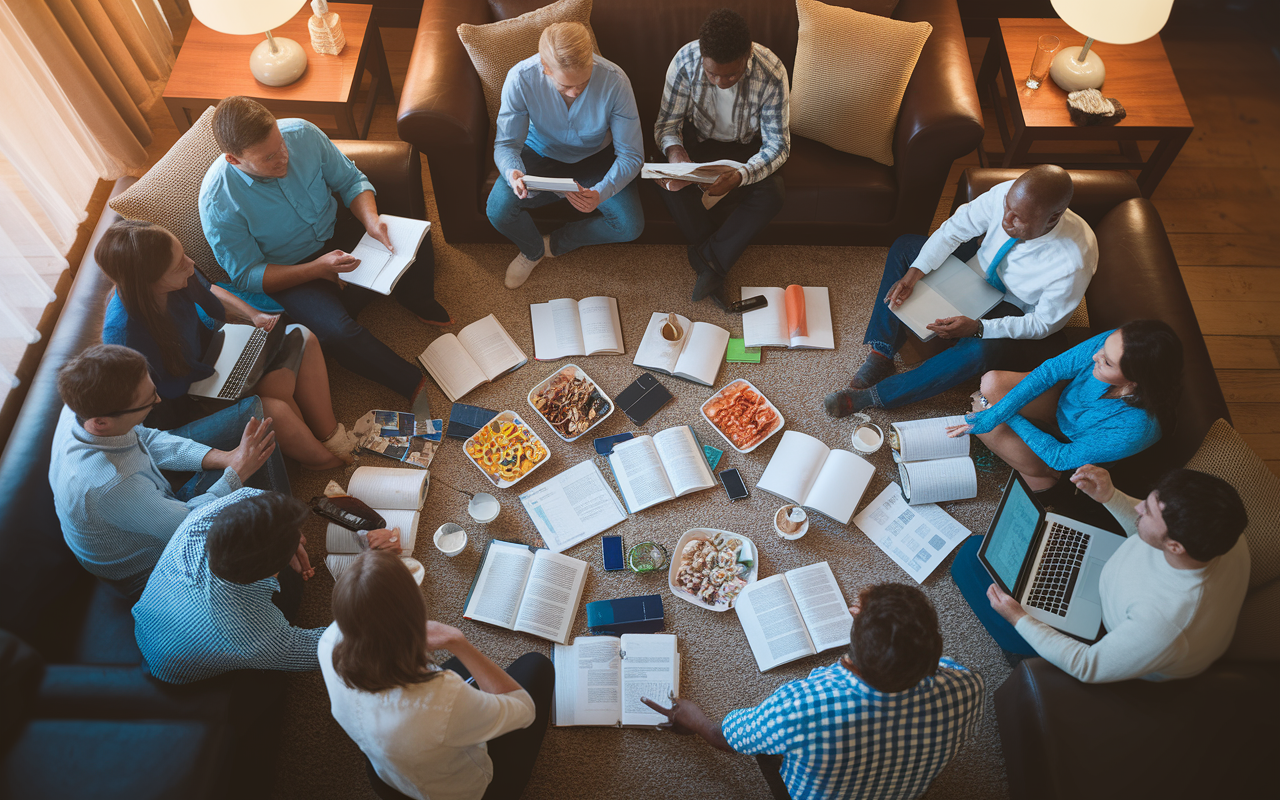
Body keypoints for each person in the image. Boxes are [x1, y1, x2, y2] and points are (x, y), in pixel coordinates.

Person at [199, 96, 444, 419]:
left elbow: (350, 181)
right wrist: (317, 270)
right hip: (291, 270)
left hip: (337, 231)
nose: (284, 157)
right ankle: (410, 381)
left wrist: (371, 221)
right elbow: (248, 275)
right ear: (234, 159)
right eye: (269, 157)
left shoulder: (302, 133)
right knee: (338, 334)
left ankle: (417, 298)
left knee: (414, 233)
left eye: (281, 144)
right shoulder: (218, 202)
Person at [643, 583, 984, 800]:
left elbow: (726, 737)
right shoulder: (969, 685)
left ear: (850, 663)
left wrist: (692, 718)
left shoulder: (802, 708)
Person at [826, 165, 1097, 417]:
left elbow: (1044, 323)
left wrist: (979, 328)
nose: (1006, 219)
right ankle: (882, 353)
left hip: (1012, 303)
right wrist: (915, 272)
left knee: (982, 352)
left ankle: (877, 396)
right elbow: (955, 229)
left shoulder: (1074, 259)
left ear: (1052, 219)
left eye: (1019, 219)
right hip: (978, 265)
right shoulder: (1009, 193)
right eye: (1007, 208)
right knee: (906, 246)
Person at [951, 464, 1250, 682]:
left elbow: (1087, 665)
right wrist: (1110, 495)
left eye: (1149, 512)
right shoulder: (1222, 532)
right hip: (1117, 577)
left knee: (971, 560)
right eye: (1149, 499)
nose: (1139, 507)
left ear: (1174, 546)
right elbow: (1146, 530)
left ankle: (1024, 653)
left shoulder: (1164, 626)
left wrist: (1020, 618)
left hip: (1108, 636)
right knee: (1026, 543)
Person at [98, 220, 357, 469]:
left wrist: (253, 315)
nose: (190, 265)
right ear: (147, 284)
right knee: (273, 408)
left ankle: (329, 435)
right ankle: (324, 462)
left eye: (184, 255)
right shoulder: (123, 336)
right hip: (182, 406)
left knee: (302, 336)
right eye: (179, 265)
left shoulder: (179, 276)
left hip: (210, 364)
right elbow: (149, 410)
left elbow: (208, 289)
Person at [50, 344, 285, 599]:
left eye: (153, 391)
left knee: (250, 425)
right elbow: (189, 523)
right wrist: (236, 472)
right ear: (101, 423)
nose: (158, 400)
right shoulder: (110, 486)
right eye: (148, 401)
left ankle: (279, 521)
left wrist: (225, 459)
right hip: (154, 564)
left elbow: (146, 438)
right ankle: (284, 534)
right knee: (247, 467)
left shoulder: (82, 407)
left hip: (154, 506)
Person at [319, 549, 553, 800]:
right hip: (464, 792)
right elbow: (523, 709)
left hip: (387, 776)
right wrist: (458, 642)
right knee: (537, 666)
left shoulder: (328, 641)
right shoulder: (442, 697)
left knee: (460, 672)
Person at [133, 489, 385, 683]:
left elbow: (248, 495)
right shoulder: (248, 633)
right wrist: (377, 571)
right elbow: (328, 646)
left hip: (151, 619)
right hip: (171, 668)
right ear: (275, 570)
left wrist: (286, 535)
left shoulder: (198, 521)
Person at [488, 22, 644, 289]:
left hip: (595, 158)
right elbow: (506, 144)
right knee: (498, 210)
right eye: (565, 86)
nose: (575, 92)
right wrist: (513, 172)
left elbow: (631, 154)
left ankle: (557, 243)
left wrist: (602, 191)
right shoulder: (521, 78)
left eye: (583, 83)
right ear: (545, 69)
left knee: (630, 226)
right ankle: (533, 250)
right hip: (539, 154)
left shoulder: (615, 80)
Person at [946, 321, 1183, 492]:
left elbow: (1060, 457)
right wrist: (998, 411)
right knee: (991, 383)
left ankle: (1046, 477)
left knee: (984, 412)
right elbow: (1051, 370)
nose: (1095, 356)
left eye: (1107, 362)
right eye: (1103, 348)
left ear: (1134, 381)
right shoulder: (1117, 343)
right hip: (1060, 404)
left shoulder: (1137, 428)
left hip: (1068, 447)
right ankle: (1028, 463)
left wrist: (1003, 414)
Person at [654, 8, 789, 306]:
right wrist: (677, 155)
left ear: (748, 55)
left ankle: (706, 259)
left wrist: (742, 175)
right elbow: (666, 126)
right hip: (698, 144)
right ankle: (715, 260)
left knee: (774, 192)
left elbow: (778, 145)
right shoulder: (685, 63)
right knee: (665, 182)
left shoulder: (772, 72)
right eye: (712, 73)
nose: (720, 81)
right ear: (702, 56)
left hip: (744, 149)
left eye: (731, 74)